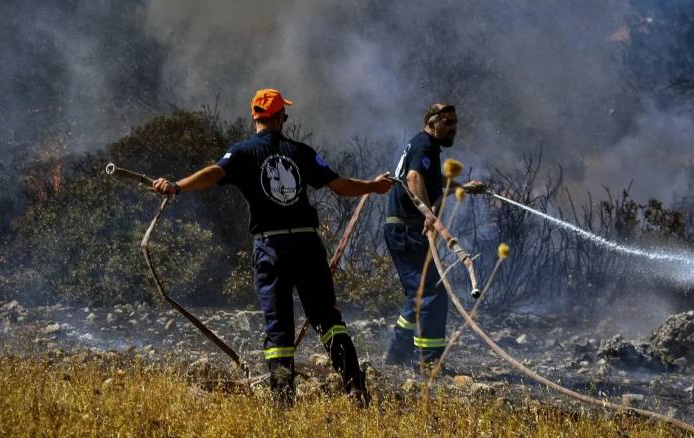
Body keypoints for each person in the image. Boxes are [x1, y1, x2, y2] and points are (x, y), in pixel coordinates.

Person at [152, 88, 392, 404]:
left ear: (254, 117)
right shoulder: (301, 152)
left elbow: (213, 174)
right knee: (329, 321)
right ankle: (356, 391)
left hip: (271, 247)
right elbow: (339, 186)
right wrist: (373, 186)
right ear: (281, 117)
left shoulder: (241, 152)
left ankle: (282, 402)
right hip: (307, 244)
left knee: (279, 328)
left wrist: (177, 186)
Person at [384, 103, 485, 368]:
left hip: (402, 229)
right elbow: (414, 177)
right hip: (407, 230)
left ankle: (397, 354)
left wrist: (463, 187)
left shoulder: (424, 146)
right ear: (431, 124)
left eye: (454, 123)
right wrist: (429, 214)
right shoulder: (425, 145)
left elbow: (429, 178)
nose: (453, 128)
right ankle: (428, 362)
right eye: (447, 122)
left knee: (420, 292)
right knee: (432, 293)